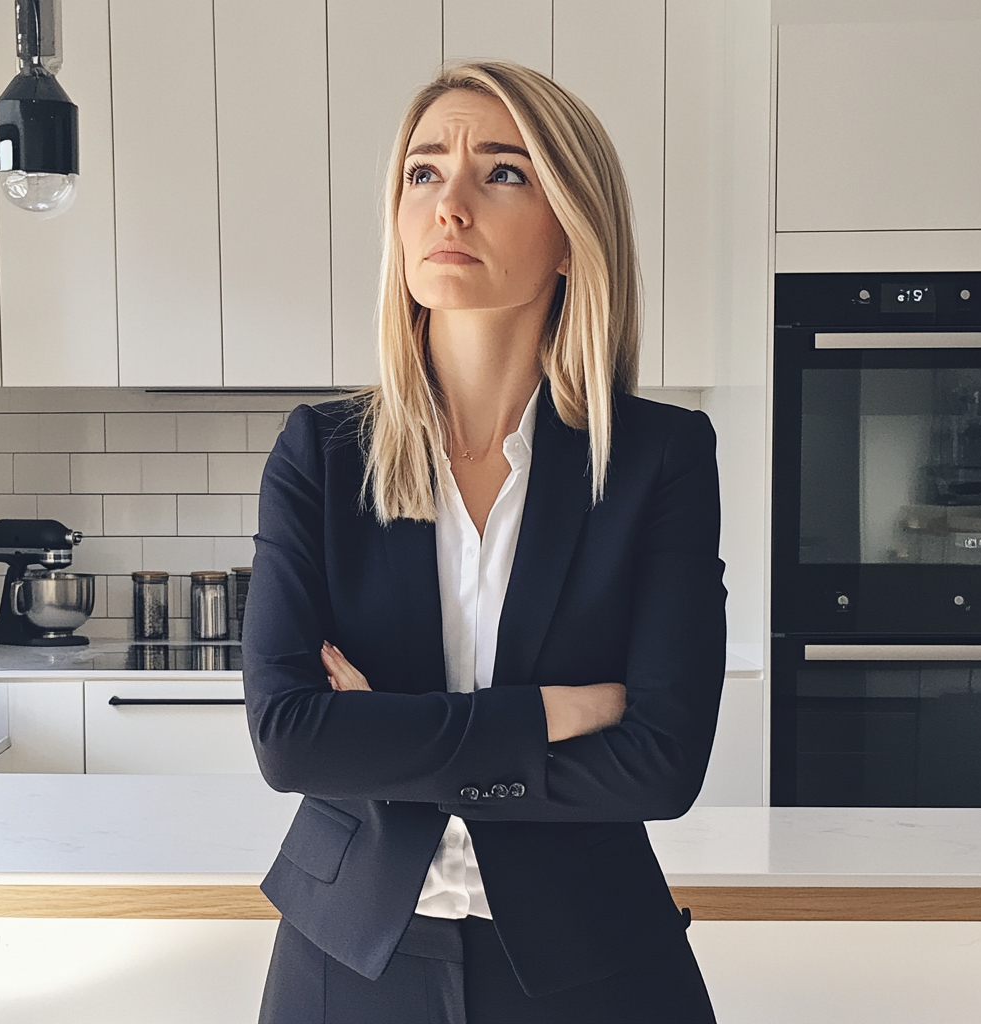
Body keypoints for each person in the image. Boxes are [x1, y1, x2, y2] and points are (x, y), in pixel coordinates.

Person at [242, 60, 726, 1024]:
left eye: (501, 171)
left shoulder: (659, 459)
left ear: (570, 233)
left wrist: (386, 732)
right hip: (349, 958)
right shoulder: (323, 454)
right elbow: (292, 739)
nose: (448, 205)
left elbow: (662, 765)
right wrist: (548, 715)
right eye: (423, 173)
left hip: (593, 962)